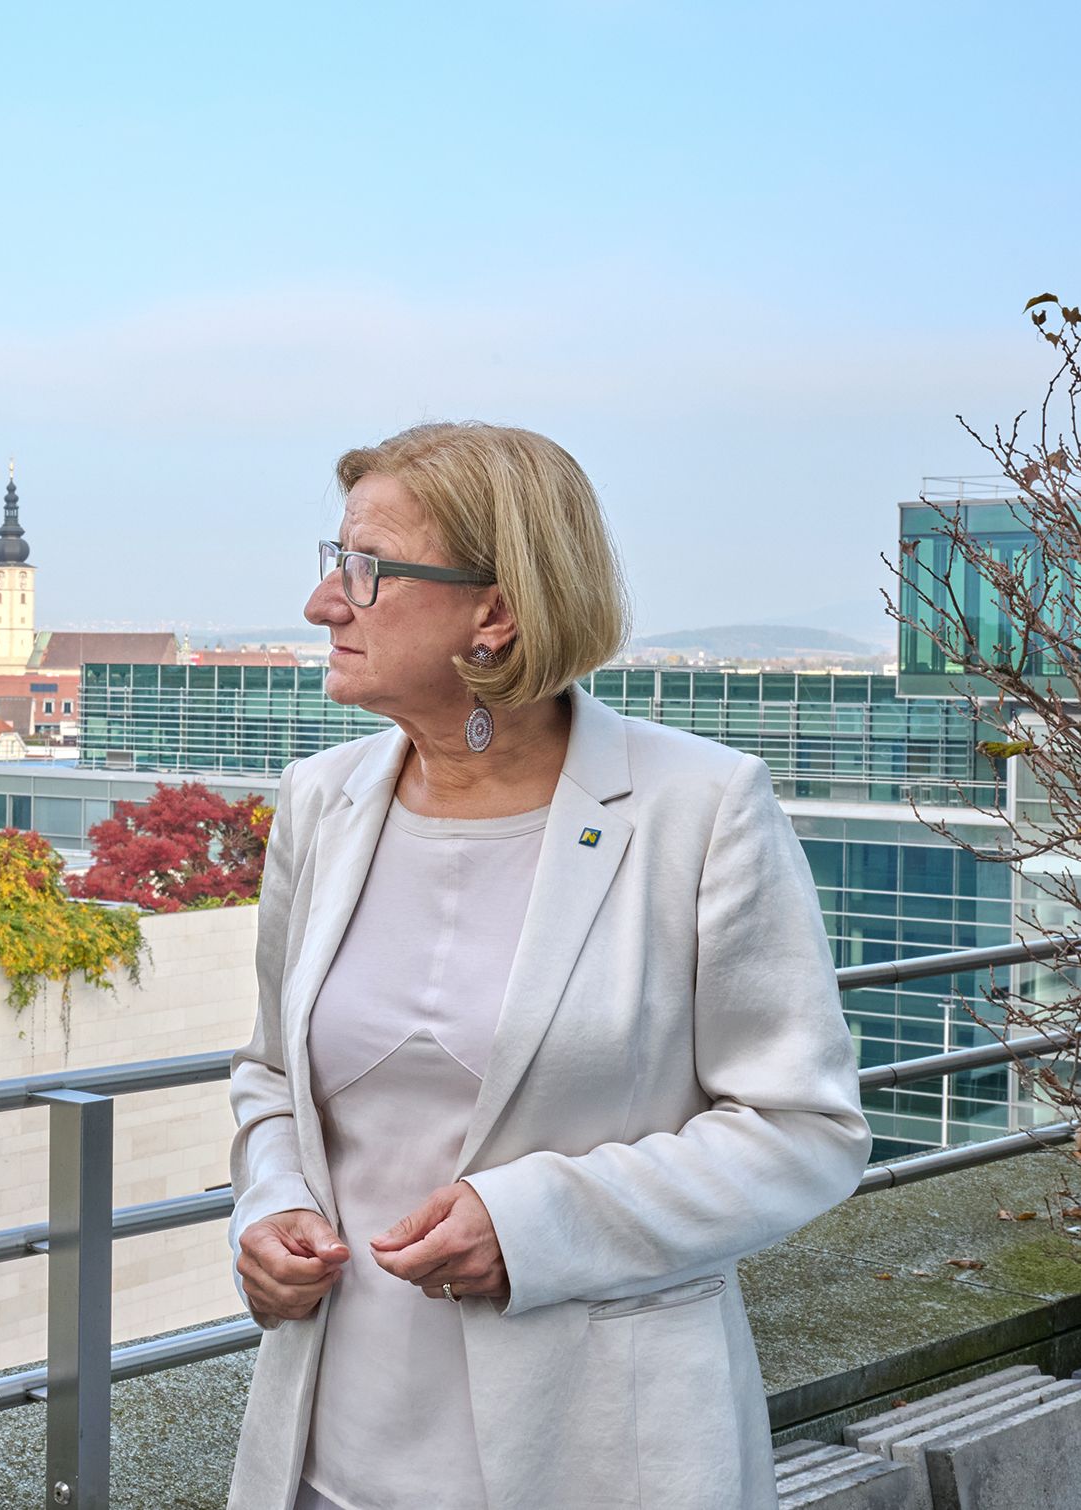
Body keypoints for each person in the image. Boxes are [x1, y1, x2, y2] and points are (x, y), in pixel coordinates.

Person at [225, 423, 871, 1510]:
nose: (321, 602)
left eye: (364, 569)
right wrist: (266, 1204)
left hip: (599, 1457)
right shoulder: (317, 803)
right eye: (331, 559)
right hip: (326, 1455)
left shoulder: (699, 811)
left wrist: (532, 1225)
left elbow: (803, 1131)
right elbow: (269, 1078)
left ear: (495, 610)